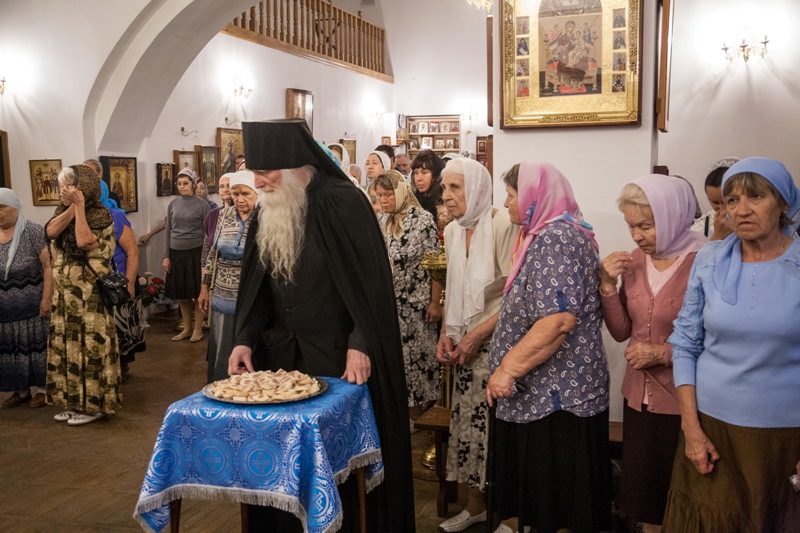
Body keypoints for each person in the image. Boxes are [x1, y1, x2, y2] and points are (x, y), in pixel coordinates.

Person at [228, 118, 414, 533]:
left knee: (337, 474)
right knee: (281, 474)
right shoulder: (267, 209)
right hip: (281, 364)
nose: (257, 182)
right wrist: (244, 340)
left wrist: (361, 342)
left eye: (265, 172)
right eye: (254, 172)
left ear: (295, 166)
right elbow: (258, 292)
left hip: (337, 362)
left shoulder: (343, 202)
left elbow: (370, 287)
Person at [663, 157, 800, 531]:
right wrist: (691, 430)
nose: (741, 210)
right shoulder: (709, 259)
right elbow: (686, 343)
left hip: (784, 436)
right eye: (732, 200)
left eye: (756, 197)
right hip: (712, 430)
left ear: (783, 203)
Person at [486, 162, 612, 533]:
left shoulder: (555, 239)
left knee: (555, 507)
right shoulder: (555, 233)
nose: (506, 203)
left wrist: (506, 370)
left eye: (511, 195)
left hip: (556, 400)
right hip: (548, 398)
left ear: (533, 197)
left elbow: (557, 320)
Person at [600, 175, 707, 533]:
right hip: (639, 401)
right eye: (631, 226)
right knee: (646, 501)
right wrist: (607, 286)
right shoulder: (635, 260)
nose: (636, 236)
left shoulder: (704, 260)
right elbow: (622, 332)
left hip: (686, 401)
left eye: (645, 226)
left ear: (672, 217)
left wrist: (663, 353)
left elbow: (716, 336)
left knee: (684, 498)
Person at [434, 159, 517, 533]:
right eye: (444, 188)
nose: (447, 196)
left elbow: (514, 297)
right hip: (465, 346)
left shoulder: (502, 225)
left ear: (478, 188)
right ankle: (475, 507)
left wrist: (476, 335)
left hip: (498, 345)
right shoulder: (453, 230)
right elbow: (454, 290)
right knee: (467, 427)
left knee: (497, 432)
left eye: (455, 187)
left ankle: (510, 516)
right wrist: (446, 333)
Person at [45, 164, 121, 426]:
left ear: (84, 187)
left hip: (90, 297)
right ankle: (74, 402)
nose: (63, 191)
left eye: (69, 186)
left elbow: (84, 241)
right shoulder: (62, 210)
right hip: (66, 297)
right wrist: (71, 207)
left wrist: (80, 206)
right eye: (62, 186)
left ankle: (95, 405)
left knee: (90, 349)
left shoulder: (102, 216)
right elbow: (50, 232)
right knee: (68, 348)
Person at [373, 169, 441, 416]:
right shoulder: (384, 220)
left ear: (401, 192)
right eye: (379, 195)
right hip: (392, 305)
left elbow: (435, 264)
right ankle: (403, 417)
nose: (383, 200)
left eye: (388, 194)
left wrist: (435, 301)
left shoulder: (422, 220)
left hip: (417, 306)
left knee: (419, 365)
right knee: (398, 365)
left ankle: (421, 418)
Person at [198, 171, 258, 383]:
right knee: (223, 347)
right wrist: (204, 287)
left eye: (245, 194)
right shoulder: (224, 215)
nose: (239, 199)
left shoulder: (263, 217)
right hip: (222, 294)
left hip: (251, 295)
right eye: (235, 193)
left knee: (248, 345)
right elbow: (213, 253)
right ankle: (222, 389)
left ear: (256, 193)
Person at [0, 189, 53, 409]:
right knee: (11, 350)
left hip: (32, 307)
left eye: (2, 207)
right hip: (5, 310)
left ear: (15, 207)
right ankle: (20, 391)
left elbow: (48, 265)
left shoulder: (32, 231)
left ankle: (42, 390)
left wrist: (47, 298)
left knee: (37, 349)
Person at [99, 180, 144, 377]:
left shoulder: (115, 216)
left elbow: (132, 252)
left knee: (120, 326)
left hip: (118, 281)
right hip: (96, 283)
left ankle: (121, 364)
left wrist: (130, 284)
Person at [163, 167, 210, 342]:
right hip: (176, 253)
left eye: (185, 183)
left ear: (193, 184)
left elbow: (208, 233)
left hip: (195, 253)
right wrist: (166, 256)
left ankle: (198, 329)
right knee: (182, 293)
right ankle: (187, 328)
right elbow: (168, 230)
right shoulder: (173, 204)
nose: (182, 186)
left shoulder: (202, 205)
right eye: (179, 183)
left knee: (197, 292)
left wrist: (205, 259)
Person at [690, 157, 739, 239]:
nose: (722, 209)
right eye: (715, 202)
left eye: (730, 201)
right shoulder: (702, 227)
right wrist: (718, 236)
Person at [410, 149, 445, 221]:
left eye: (424, 172)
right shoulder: (412, 200)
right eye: (416, 173)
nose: (418, 178)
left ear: (437, 176)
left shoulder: (444, 203)